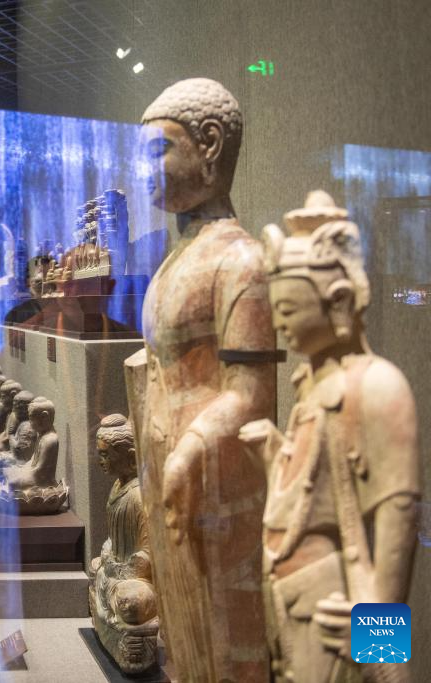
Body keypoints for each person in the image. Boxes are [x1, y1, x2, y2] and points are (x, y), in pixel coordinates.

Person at [129, 78, 276, 681]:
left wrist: (188, 449)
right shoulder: (175, 259)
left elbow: (251, 394)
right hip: (174, 477)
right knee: (185, 637)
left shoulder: (239, 259)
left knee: (228, 635)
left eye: (157, 151)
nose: (145, 173)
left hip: (217, 478)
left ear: (210, 144)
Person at [240, 192, 420, 682]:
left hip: (338, 604)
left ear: (338, 300)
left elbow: (397, 519)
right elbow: (310, 497)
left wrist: (377, 638)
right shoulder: (314, 386)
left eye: (290, 310)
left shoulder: (379, 387)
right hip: (291, 599)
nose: (279, 324)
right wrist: (273, 453)